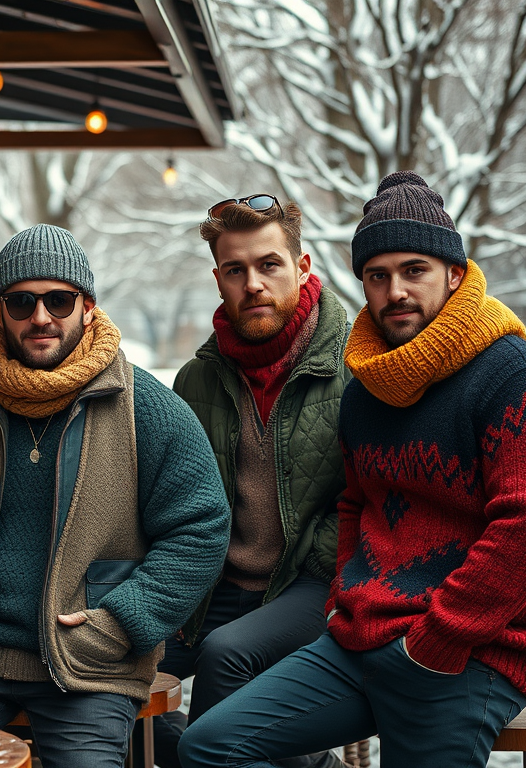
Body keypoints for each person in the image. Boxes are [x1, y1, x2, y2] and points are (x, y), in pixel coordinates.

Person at [179, 171, 526, 768]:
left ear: (455, 274)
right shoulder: (371, 385)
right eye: (378, 275)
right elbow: (356, 503)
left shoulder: (513, 375)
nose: (395, 290)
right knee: (208, 748)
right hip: (361, 635)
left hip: (469, 649)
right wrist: (346, 600)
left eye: (414, 270)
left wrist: (437, 640)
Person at [0, 224, 231, 768]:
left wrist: (121, 621)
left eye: (59, 300)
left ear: (88, 306)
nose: (41, 317)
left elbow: (201, 527)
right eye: (22, 302)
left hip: (89, 663)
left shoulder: (149, 407)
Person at [152, 195, 349, 768]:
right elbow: (168, 497)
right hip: (212, 586)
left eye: (269, 265)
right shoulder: (196, 379)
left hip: (312, 584)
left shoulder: (356, 368)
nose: (253, 283)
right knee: (104, 666)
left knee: (226, 656)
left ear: (303, 267)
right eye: (235, 270)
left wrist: (318, 561)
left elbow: (375, 499)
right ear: (218, 280)